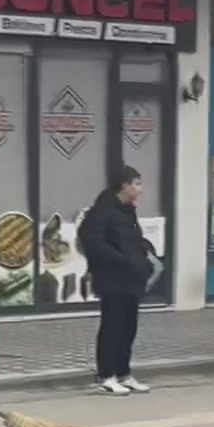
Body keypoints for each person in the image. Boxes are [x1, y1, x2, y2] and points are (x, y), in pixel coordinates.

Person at [78, 166, 153, 396]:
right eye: (137, 184)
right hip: (112, 278)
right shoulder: (103, 211)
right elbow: (94, 243)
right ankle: (106, 376)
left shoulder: (128, 210)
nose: (140, 189)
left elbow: (134, 239)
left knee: (129, 327)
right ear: (124, 185)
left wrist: (145, 256)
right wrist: (123, 260)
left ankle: (124, 373)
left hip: (132, 279)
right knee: (113, 326)